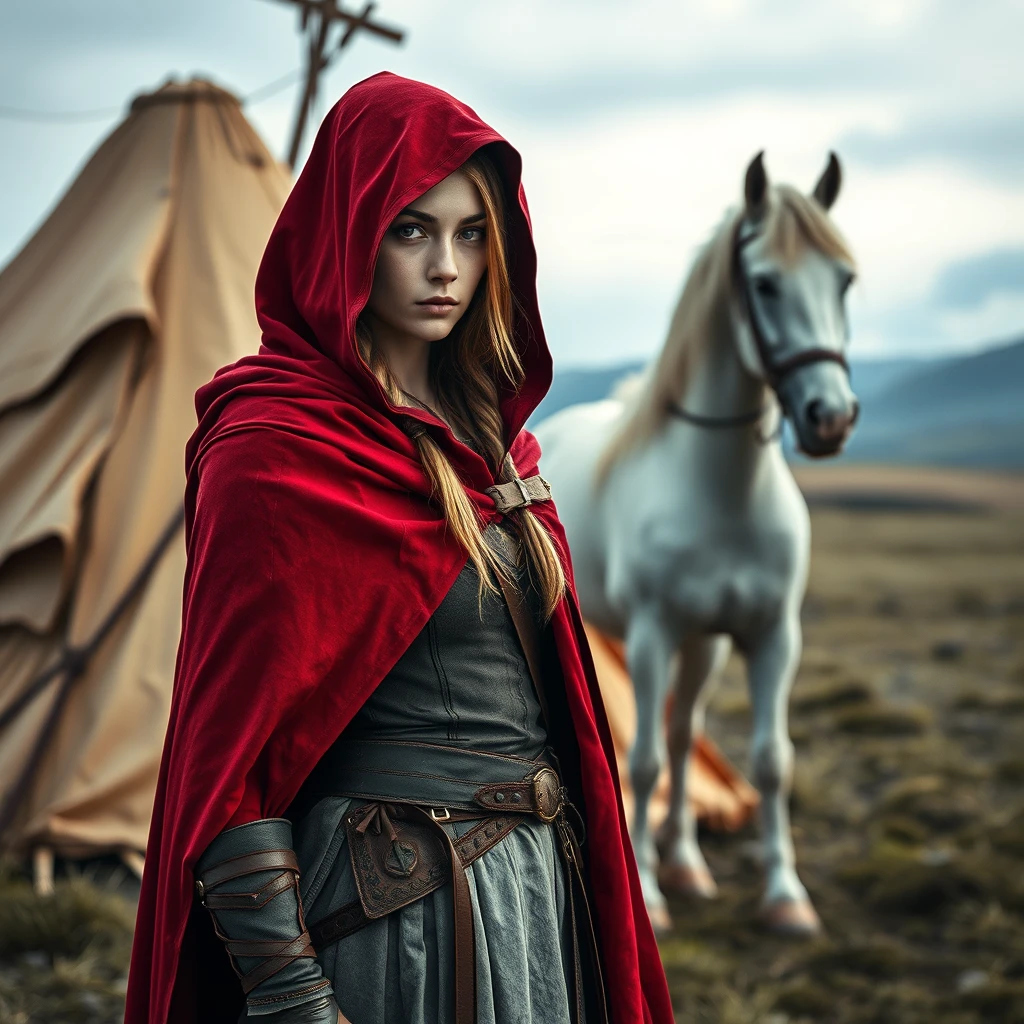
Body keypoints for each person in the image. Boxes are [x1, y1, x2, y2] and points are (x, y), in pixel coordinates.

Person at [125, 73, 673, 1024]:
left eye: (470, 233)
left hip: (540, 894)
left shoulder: (498, 447)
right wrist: (290, 993)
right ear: (350, 233)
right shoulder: (277, 447)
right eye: (411, 229)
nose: (447, 267)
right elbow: (229, 755)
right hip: (399, 912)